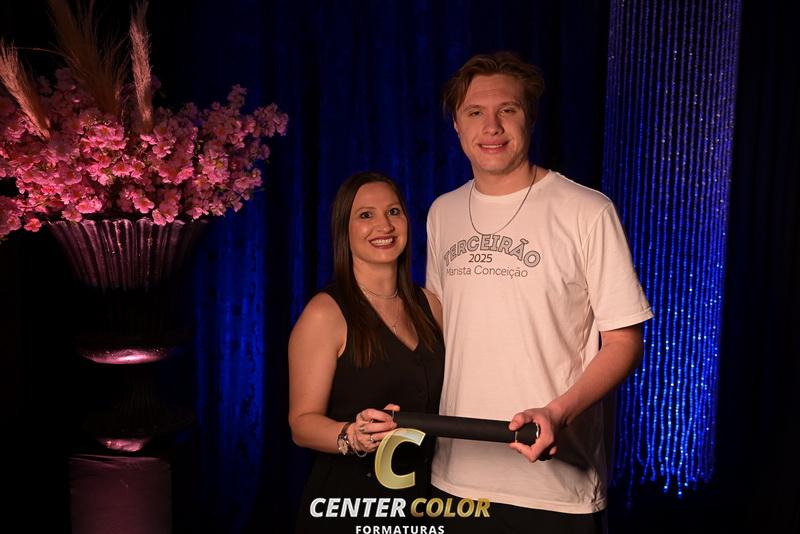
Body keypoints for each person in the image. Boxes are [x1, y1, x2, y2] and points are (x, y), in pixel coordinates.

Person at [425, 51, 654, 533]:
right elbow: (442, 323)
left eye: (507, 110)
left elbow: (624, 341)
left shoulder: (586, 210)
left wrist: (555, 412)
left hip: (554, 488)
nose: (491, 126)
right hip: (457, 476)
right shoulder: (442, 212)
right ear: (457, 126)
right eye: (475, 112)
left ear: (529, 118)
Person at [289, 171, 444, 533]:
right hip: (347, 506)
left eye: (393, 212)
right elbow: (302, 424)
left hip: (419, 504)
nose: (384, 226)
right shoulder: (324, 313)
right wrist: (351, 436)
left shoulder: (430, 305)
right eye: (365, 215)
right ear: (344, 230)